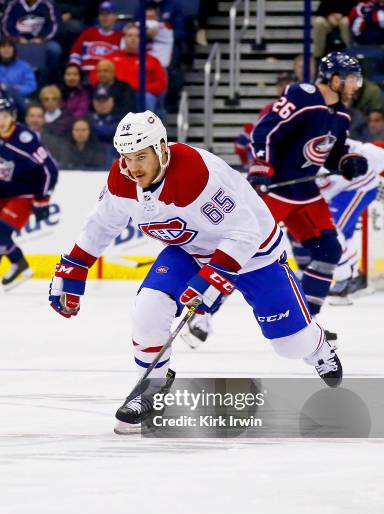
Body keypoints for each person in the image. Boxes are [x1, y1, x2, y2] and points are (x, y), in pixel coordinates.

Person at [48, 111, 344, 432]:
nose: (133, 167)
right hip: (190, 249)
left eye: (141, 157)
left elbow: (244, 232)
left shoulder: (196, 174)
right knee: (149, 306)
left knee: (290, 345)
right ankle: (151, 387)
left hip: (255, 253)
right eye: (127, 157)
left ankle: (317, 348)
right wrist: (76, 266)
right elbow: (103, 222)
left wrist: (212, 278)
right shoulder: (122, 177)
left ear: (162, 149)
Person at [248, 52, 368, 325]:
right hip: (274, 189)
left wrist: (347, 161)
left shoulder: (341, 116)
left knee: (329, 251)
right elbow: (265, 131)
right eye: (351, 79)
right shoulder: (304, 96)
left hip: (305, 193)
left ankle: (305, 321)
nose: (355, 86)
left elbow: (334, 152)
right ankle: (204, 313)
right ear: (334, 79)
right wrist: (261, 166)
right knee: (245, 249)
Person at [0, 97, 58, 288]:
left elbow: (50, 169)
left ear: (13, 117)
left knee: (0, 233)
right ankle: (19, 263)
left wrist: (43, 199)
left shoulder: (26, 139)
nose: (0, 121)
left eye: (5, 116)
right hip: (2, 190)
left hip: (25, 193)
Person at [318, 138, 384, 298]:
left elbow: (369, 153)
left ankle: (346, 278)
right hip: (339, 192)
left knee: (332, 230)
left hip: (359, 188)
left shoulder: (360, 149)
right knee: (344, 234)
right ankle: (355, 276)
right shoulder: (297, 154)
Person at [95, 23, 168, 113]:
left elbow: (161, 83)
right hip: (116, 93)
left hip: (140, 93)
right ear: (124, 38)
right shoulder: (111, 58)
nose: (133, 39)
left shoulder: (152, 61)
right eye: (130, 36)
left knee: (147, 98)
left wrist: (141, 88)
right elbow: (95, 75)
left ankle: (145, 126)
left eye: (137, 36)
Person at [1, 0, 62, 83]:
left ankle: (47, 81)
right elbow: (6, 25)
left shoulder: (48, 5)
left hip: (41, 41)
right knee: (4, 48)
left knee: (54, 49)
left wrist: (41, 39)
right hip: (17, 41)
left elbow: (54, 26)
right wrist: (17, 38)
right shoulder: (13, 4)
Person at [69, 1, 122, 75]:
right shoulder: (88, 33)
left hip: (107, 76)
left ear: (115, 16)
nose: (104, 17)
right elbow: (75, 52)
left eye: (108, 14)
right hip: (86, 74)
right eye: (102, 14)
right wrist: (74, 67)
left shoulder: (120, 37)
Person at [0, 38, 37, 115]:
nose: (6, 49)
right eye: (3, 47)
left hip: (20, 99)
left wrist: (15, 90)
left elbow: (31, 86)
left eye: (9, 46)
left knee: (11, 93)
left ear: (14, 49)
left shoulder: (24, 66)